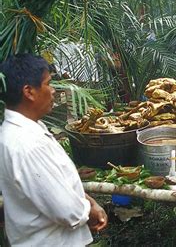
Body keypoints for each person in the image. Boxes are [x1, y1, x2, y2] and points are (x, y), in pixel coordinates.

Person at [0, 54, 107, 246]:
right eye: (48, 83)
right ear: (29, 92)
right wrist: (91, 210)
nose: (54, 90)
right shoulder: (25, 143)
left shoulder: (28, 129)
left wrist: (88, 201)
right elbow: (67, 211)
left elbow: (59, 185)